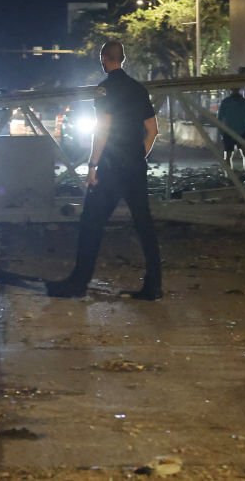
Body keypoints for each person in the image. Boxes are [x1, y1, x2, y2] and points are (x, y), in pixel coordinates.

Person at [45, 41, 162, 300]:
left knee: (91, 223)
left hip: (110, 168)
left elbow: (103, 130)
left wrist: (93, 165)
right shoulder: (138, 89)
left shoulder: (105, 90)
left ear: (103, 59)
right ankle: (154, 285)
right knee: (145, 225)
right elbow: (153, 131)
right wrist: (137, 155)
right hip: (135, 167)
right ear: (123, 58)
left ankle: (78, 282)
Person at [218, 88, 245, 173]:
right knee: (239, 154)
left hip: (233, 131)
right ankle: (233, 174)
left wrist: (221, 131)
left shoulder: (228, 102)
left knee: (239, 154)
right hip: (235, 131)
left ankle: (231, 174)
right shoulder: (242, 102)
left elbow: (219, 117)